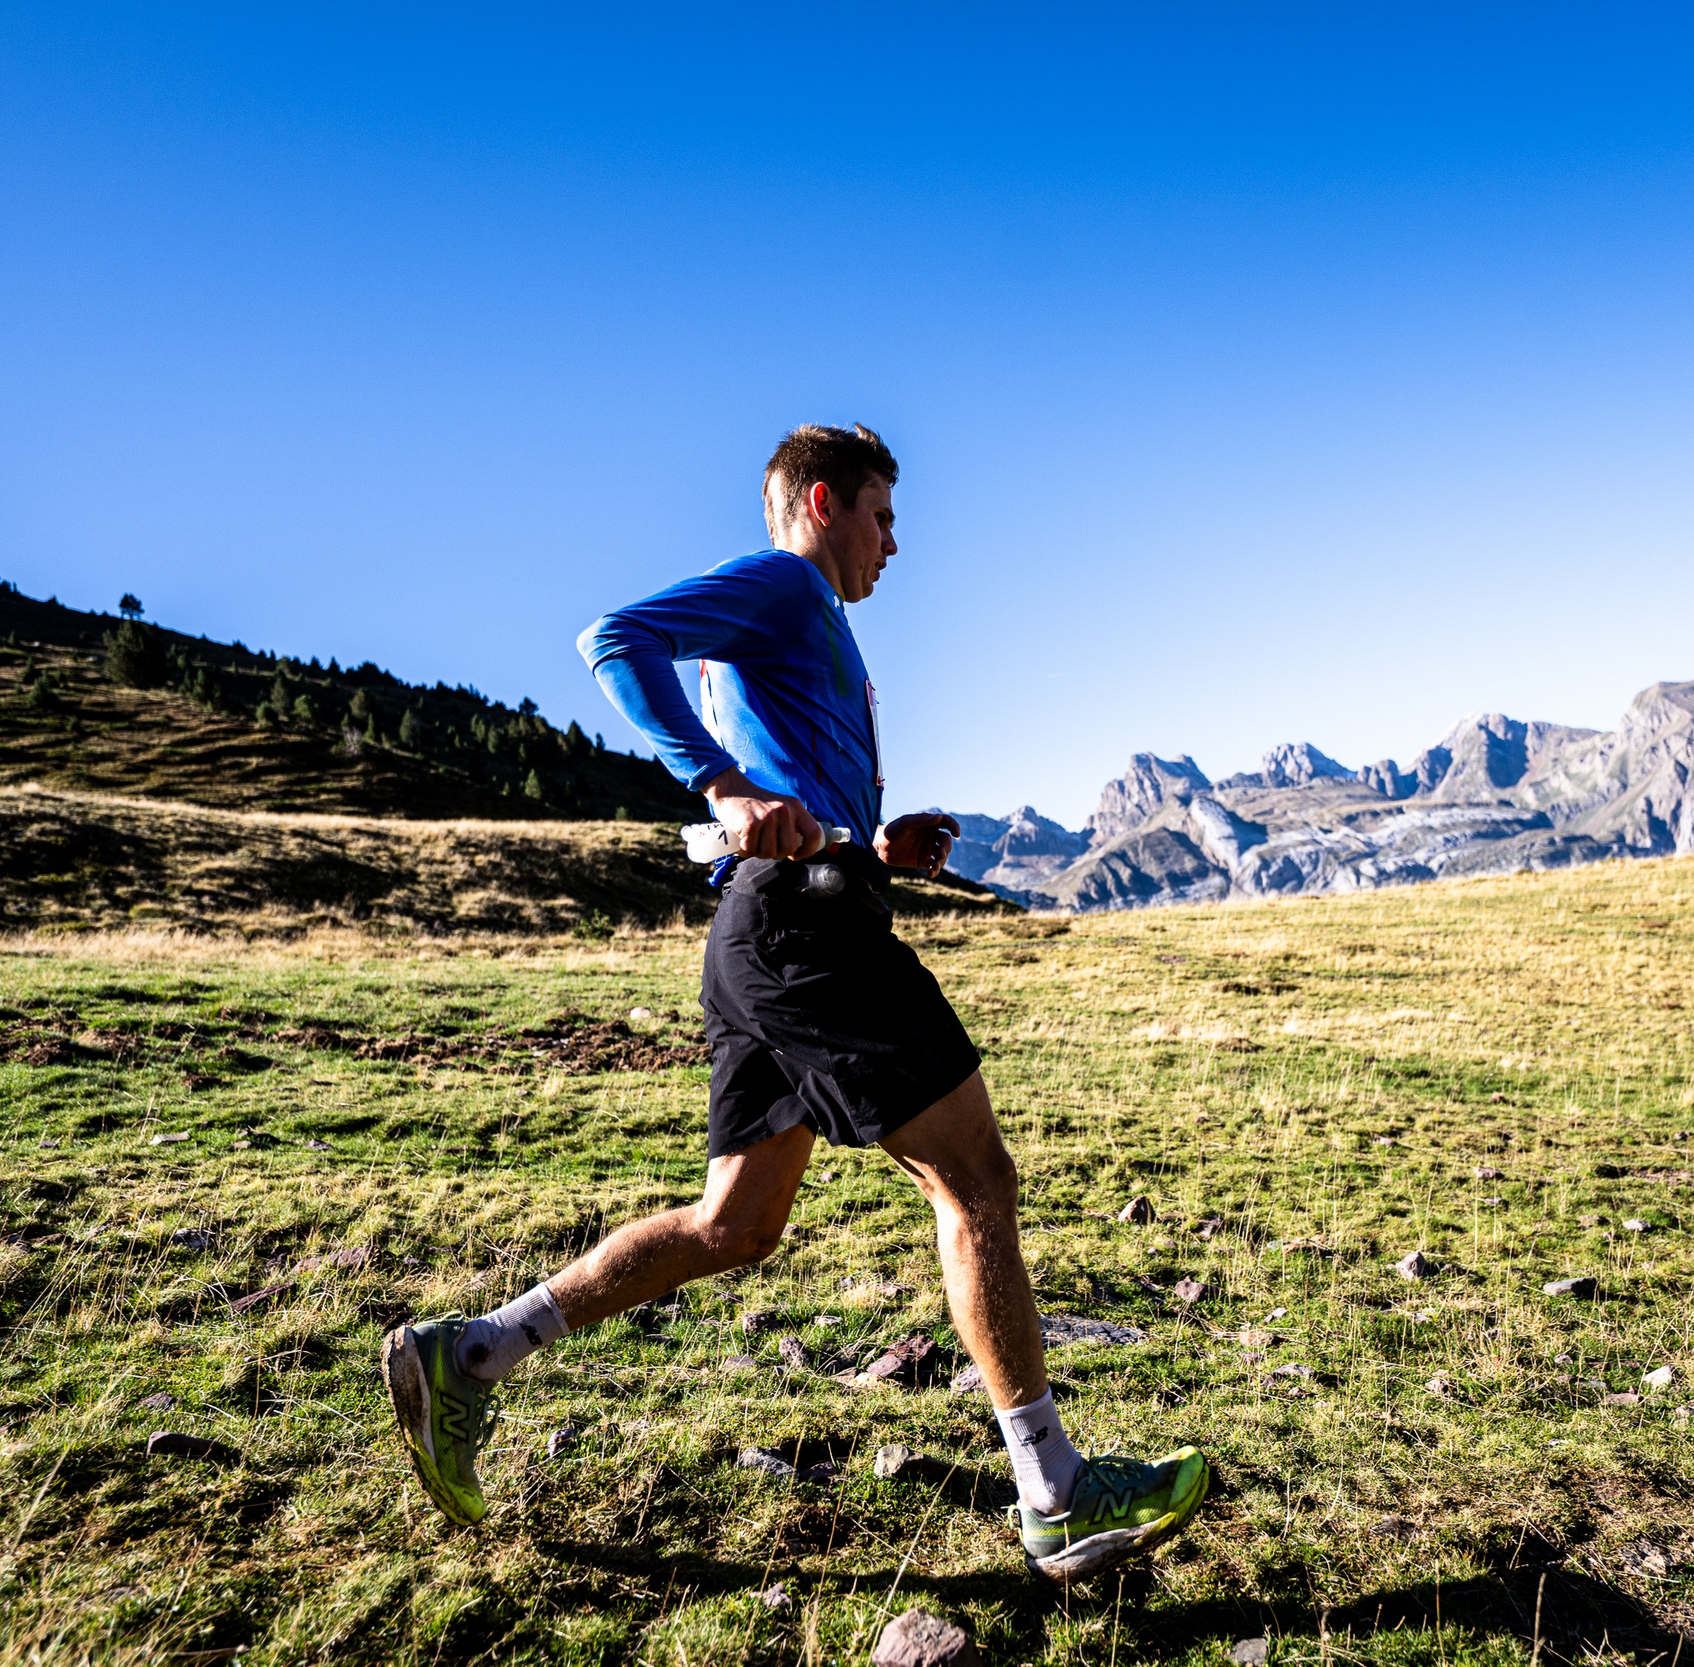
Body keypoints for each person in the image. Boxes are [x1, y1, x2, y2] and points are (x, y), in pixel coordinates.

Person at [380, 423, 1208, 1581]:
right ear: (823, 502)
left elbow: (789, 771)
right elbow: (613, 639)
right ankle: (1055, 1490)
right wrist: (722, 785)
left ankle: (469, 1355)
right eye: (882, 515)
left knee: (735, 1226)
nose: (893, 543)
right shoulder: (782, 584)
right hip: (804, 931)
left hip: (772, 926)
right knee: (975, 1178)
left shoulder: (808, 622)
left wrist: (875, 841)